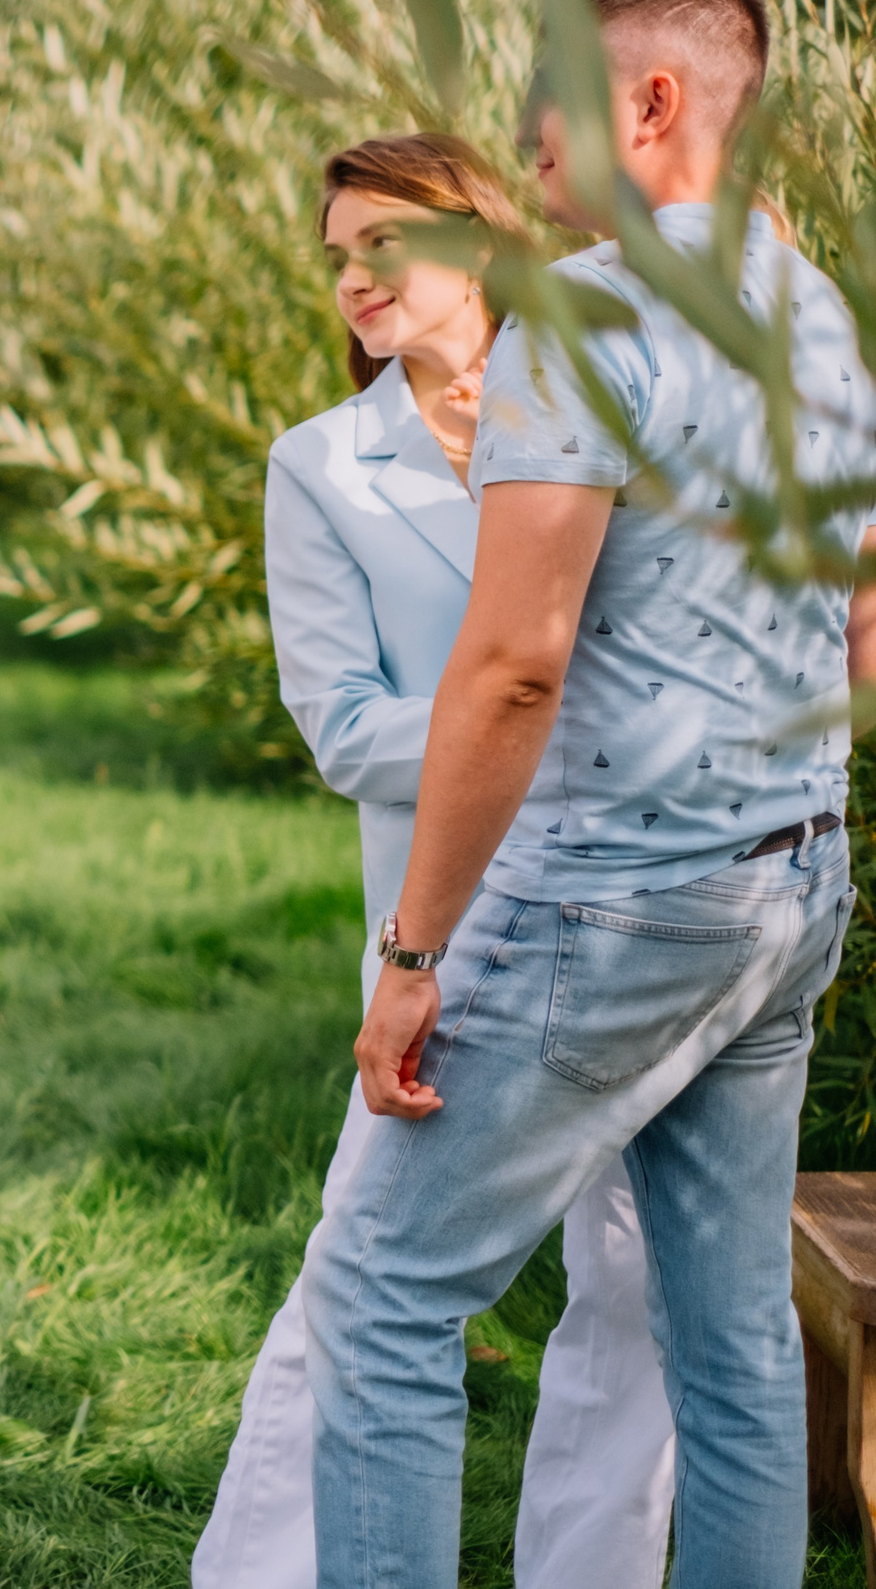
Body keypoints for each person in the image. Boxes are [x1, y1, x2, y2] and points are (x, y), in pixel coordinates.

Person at [307, 0, 876, 1589]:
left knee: (381, 1297)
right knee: (734, 1349)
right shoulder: (829, 320)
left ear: (651, 101)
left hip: (614, 907)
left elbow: (512, 664)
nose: (527, 140)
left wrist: (413, 954)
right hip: (791, 891)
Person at [196, 133, 676, 1589]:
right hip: (447, 934)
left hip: (653, 908)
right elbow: (343, 728)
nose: (353, 278)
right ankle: (263, 1574)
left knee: (639, 1285)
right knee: (359, 1273)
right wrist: (528, 722)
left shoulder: (611, 398)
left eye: (381, 245)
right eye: (337, 254)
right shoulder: (320, 467)